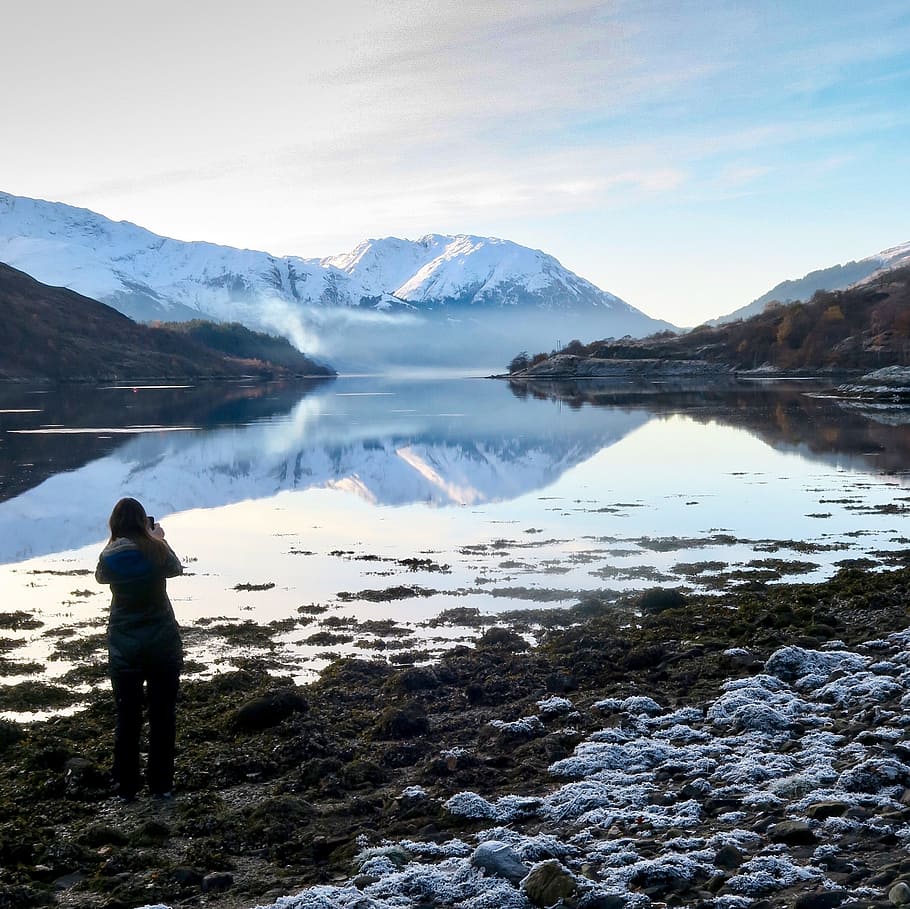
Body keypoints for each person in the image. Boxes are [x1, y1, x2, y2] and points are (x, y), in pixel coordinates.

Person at [95, 497, 183, 800]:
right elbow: (176, 569)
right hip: (162, 644)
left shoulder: (109, 557)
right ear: (142, 522)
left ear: (116, 525)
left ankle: (126, 786)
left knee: (127, 717)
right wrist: (157, 539)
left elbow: (100, 576)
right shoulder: (157, 551)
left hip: (124, 648)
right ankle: (161, 786)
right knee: (162, 716)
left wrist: (130, 540)